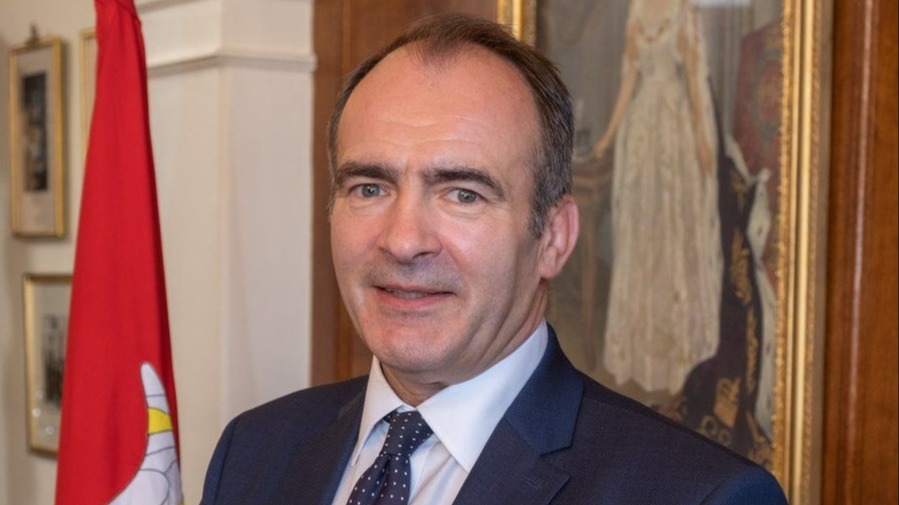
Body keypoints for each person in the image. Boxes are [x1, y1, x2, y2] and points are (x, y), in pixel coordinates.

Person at [201, 13, 787, 505]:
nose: (403, 241)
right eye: (370, 188)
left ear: (553, 237)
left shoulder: (701, 496)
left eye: (463, 194)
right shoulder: (253, 453)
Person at [593, 0, 723, 395]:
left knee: (672, 231)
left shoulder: (683, 11)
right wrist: (608, 137)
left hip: (673, 129)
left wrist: (702, 139)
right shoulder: (636, 10)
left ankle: (676, 352)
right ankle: (639, 349)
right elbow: (629, 79)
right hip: (642, 130)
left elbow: (694, 81)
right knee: (643, 233)